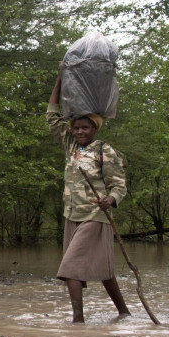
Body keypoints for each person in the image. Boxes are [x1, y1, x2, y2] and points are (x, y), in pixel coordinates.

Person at [47, 67, 130, 323]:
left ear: (95, 128)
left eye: (86, 127)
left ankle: (78, 322)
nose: (80, 132)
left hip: (95, 215)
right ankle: (124, 312)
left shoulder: (105, 151)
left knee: (70, 268)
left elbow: (119, 185)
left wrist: (111, 199)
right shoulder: (71, 146)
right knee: (104, 270)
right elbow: (52, 118)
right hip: (72, 215)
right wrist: (59, 79)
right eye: (77, 127)